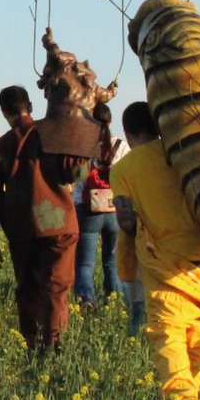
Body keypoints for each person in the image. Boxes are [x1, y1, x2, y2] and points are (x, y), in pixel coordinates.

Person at [110, 101, 200, 400]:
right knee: (197, 331)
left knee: (168, 331)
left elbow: (126, 221)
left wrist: (134, 239)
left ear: (129, 134)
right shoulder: (184, 156)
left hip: (163, 261)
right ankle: (192, 390)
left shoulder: (123, 169)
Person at [0, 84, 96, 351]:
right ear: (29, 107)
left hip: (22, 228)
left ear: (4, 112)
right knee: (55, 288)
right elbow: (75, 174)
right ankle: (55, 346)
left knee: (28, 288)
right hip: (60, 227)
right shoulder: (52, 135)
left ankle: (33, 346)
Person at [72, 102, 127, 312]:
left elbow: (78, 182)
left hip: (89, 212)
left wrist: (78, 202)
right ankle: (114, 302)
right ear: (110, 121)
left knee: (85, 263)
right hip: (115, 210)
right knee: (112, 262)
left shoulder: (83, 147)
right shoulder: (121, 146)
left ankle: (86, 301)